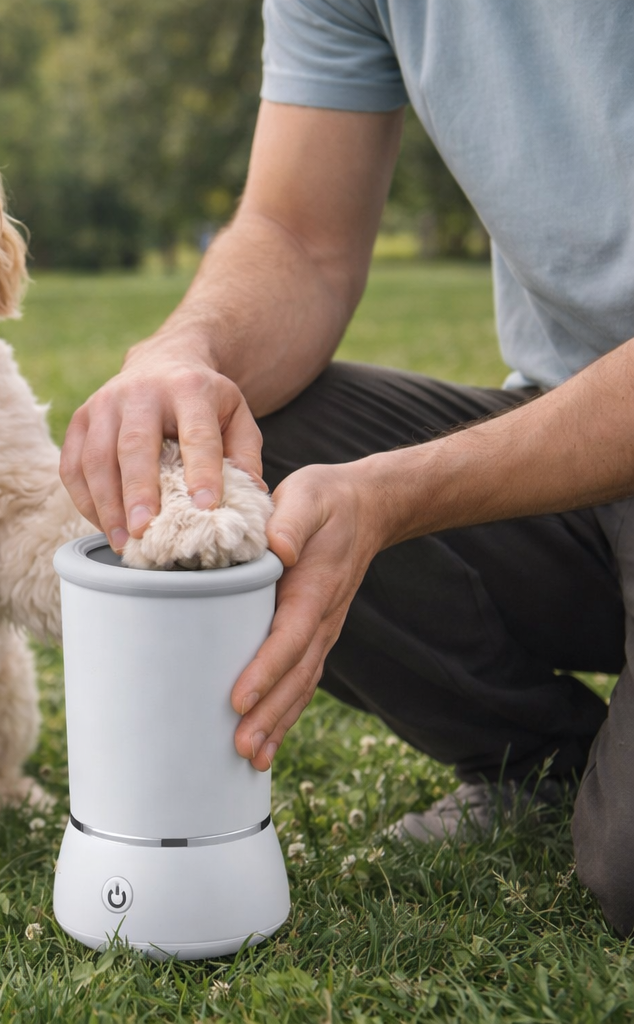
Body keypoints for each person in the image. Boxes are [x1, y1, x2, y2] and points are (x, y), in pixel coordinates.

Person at [58, 0, 634, 936]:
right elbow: (299, 238)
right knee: (245, 427)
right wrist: (183, 354)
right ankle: (535, 756)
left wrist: (397, 495)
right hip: (563, 433)